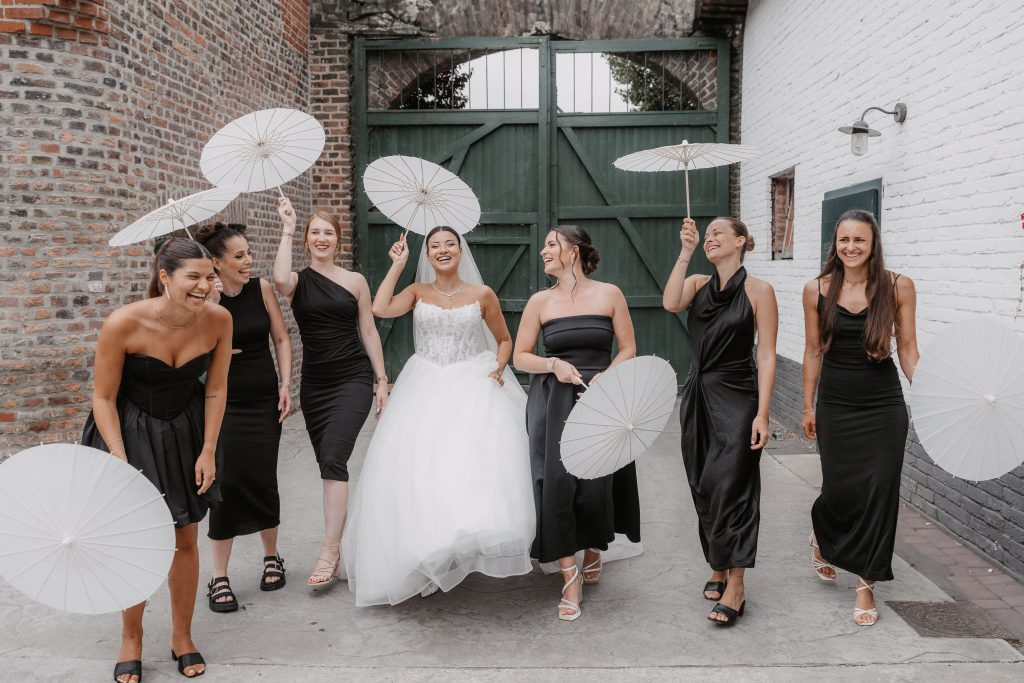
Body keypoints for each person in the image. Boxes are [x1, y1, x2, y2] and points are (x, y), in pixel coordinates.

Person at [342, 227, 535, 605]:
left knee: (469, 469)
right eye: (435, 246)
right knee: (421, 471)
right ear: (427, 255)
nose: (443, 250)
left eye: (449, 244)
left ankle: (462, 546)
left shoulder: (482, 295)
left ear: (460, 251)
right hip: (424, 383)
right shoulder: (417, 292)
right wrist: (397, 265)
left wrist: (498, 367)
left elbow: (505, 340)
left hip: (473, 382)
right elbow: (380, 308)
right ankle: (427, 559)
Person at [83, 237, 232, 681]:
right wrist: (118, 457)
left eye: (210, 276)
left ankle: (182, 637)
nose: (205, 286)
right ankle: (131, 637)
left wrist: (208, 449)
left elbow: (216, 388)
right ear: (164, 277)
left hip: (186, 431)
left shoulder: (219, 321)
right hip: (128, 432)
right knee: (138, 540)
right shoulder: (122, 323)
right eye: (194, 277)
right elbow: (103, 398)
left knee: (185, 536)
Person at [513, 226, 641, 622]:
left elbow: (629, 348)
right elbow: (520, 357)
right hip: (553, 400)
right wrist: (553, 364)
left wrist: (607, 376)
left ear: (574, 251)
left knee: (595, 485)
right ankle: (570, 575)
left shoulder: (610, 294)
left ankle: (591, 549)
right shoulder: (540, 301)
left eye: (551, 245)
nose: (543, 252)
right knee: (556, 484)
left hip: (599, 400)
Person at [801, 209, 918, 626]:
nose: (850, 247)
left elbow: (906, 347)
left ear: (873, 245)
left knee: (880, 492)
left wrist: (924, 389)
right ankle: (822, 532)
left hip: (884, 405)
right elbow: (814, 350)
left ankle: (866, 585)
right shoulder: (816, 288)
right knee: (838, 490)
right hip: (835, 402)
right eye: (844, 239)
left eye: (860, 241)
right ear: (835, 243)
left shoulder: (897, 286)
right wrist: (808, 405)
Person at [662, 216, 778, 626]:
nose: (710, 238)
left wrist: (764, 412)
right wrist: (685, 250)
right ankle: (717, 562)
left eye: (717, 234)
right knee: (703, 483)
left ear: (741, 242)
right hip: (697, 393)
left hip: (739, 396)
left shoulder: (760, 290)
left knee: (733, 485)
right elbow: (670, 303)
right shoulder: (695, 284)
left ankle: (737, 583)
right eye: (706, 234)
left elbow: (766, 354)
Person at [272, 197, 389, 587]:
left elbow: (369, 331)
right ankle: (336, 545)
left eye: (328, 233)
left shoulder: (355, 281)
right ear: (306, 240)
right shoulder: (297, 282)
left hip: (353, 378)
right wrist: (287, 227)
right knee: (327, 463)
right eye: (315, 233)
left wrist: (381, 379)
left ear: (338, 240)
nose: (322, 239)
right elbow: (278, 280)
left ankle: (329, 549)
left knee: (336, 457)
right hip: (316, 385)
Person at [196, 223, 292, 612]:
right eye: (239, 256)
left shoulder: (262, 289)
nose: (249, 260)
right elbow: (193, 352)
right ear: (216, 264)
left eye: (249, 253)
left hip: (265, 399)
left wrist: (286, 384)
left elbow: (281, 339)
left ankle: (272, 556)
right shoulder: (204, 300)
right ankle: (219, 576)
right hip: (224, 404)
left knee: (263, 478)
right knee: (227, 483)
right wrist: (212, 308)